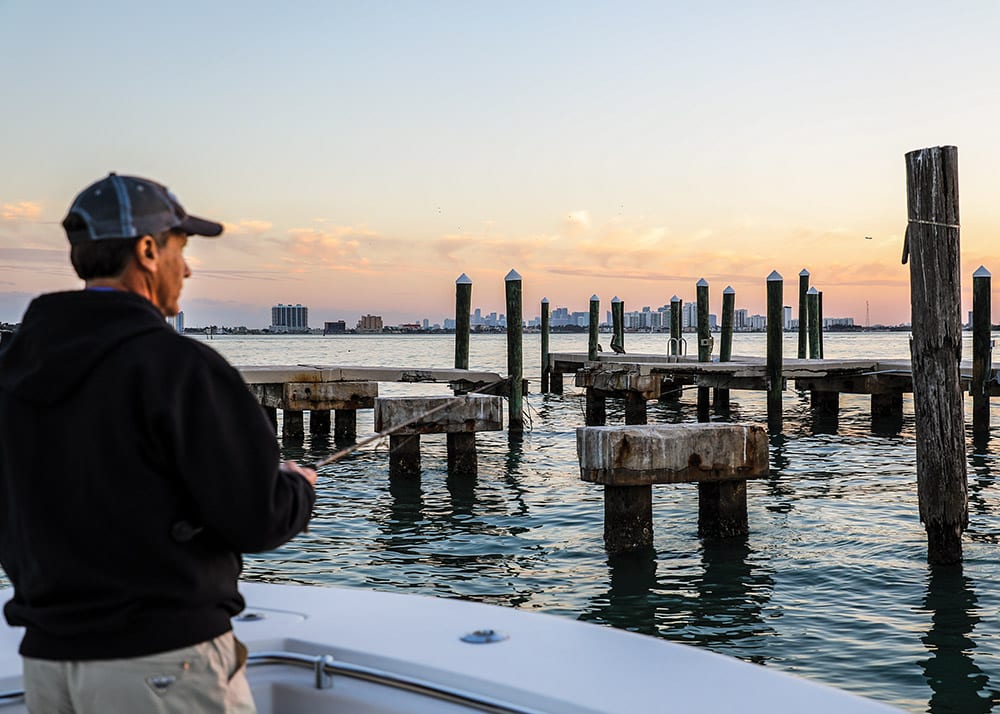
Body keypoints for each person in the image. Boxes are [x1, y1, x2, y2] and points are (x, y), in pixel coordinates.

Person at [0, 173, 317, 712]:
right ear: (148, 250)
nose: (187, 267)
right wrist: (296, 489)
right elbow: (256, 518)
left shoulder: (11, 369)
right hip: (164, 664)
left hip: (49, 665)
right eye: (181, 248)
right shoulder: (177, 368)